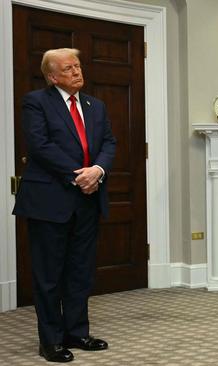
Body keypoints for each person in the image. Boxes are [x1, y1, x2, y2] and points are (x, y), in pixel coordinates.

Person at [13, 48, 116, 362]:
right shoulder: (36, 102)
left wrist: (97, 170)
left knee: (80, 272)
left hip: (88, 200)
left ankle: (77, 332)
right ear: (52, 76)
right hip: (49, 199)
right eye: (69, 68)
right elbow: (39, 145)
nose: (77, 71)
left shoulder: (95, 105)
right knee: (49, 275)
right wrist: (78, 175)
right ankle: (51, 341)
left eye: (78, 65)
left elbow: (109, 143)